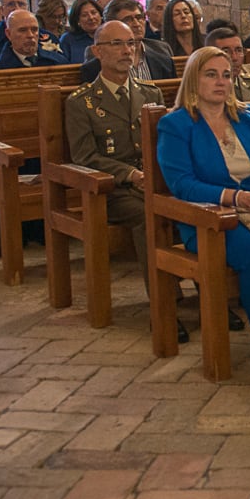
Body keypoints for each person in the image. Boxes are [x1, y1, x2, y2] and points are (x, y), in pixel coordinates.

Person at [154, 48, 250, 368]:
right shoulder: (176, 125)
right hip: (210, 218)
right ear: (194, 79)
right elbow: (182, 184)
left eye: (226, 74)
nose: (221, 81)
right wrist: (233, 198)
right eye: (211, 74)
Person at [64, 20, 171, 332]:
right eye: (117, 44)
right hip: (111, 190)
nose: (127, 50)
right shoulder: (81, 101)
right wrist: (129, 174)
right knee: (147, 215)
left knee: (195, 208)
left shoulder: (150, 93)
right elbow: (84, 157)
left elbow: (161, 143)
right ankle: (162, 307)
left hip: (151, 181)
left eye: (131, 44)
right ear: (97, 51)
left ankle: (208, 295)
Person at [79, 0, 177, 82]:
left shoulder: (162, 53)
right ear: (112, 24)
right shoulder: (95, 64)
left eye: (139, 18)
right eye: (128, 19)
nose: (137, 24)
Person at [205, 21, 250, 102]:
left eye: (239, 50)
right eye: (226, 51)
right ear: (210, 55)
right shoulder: (201, 90)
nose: (234, 57)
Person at [0, 9, 68, 69]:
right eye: (22, 30)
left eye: (34, 30)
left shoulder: (58, 62)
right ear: (9, 34)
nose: (30, 35)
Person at [62, 0, 104, 65]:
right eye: (84, 15)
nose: (91, 17)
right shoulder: (68, 40)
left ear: (100, 15)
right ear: (77, 20)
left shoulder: (110, 35)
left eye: (94, 13)